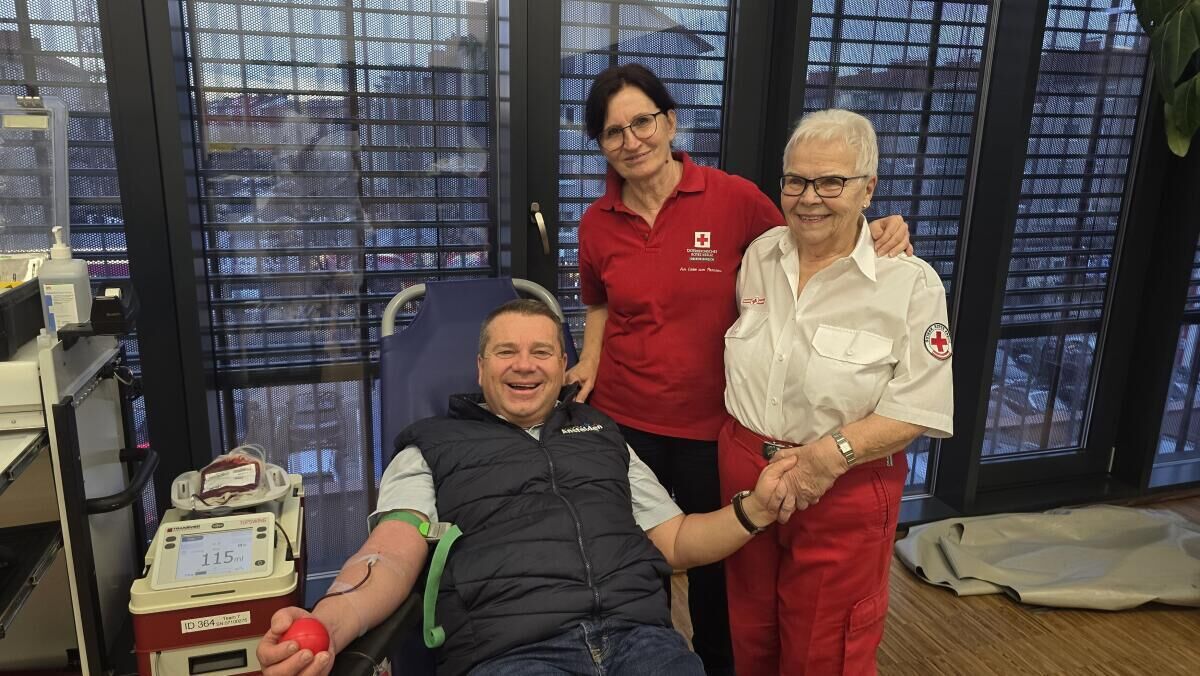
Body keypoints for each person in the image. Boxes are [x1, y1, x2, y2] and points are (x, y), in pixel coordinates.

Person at [565, 62, 912, 674]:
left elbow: (812, 239)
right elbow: (599, 301)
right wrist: (590, 356)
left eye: (643, 121)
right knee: (636, 561)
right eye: (613, 131)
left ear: (671, 122)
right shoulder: (596, 222)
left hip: (713, 428)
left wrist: (875, 227)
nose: (632, 140)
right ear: (600, 144)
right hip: (626, 423)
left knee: (722, 577)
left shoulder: (733, 199)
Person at [257, 299, 802, 676]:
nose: (524, 366)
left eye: (541, 352)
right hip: (513, 652)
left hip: (642, 641)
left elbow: (677, 539)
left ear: (563, 366)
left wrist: (754, 508)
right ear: (480, 367)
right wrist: (329, 621)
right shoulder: (430, 445)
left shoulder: (600, 433)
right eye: (506, 352)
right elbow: (390, 556)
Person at [719, 109, 954, 675]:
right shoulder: (760, 256)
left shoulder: (910, 283)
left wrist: (829, 457)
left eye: (831, 182)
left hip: (845, 480)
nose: (809, 198)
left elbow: (918, 406)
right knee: (750, 634)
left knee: (825, 647)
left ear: (868, 188)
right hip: (746, 468)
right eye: (796, 181)